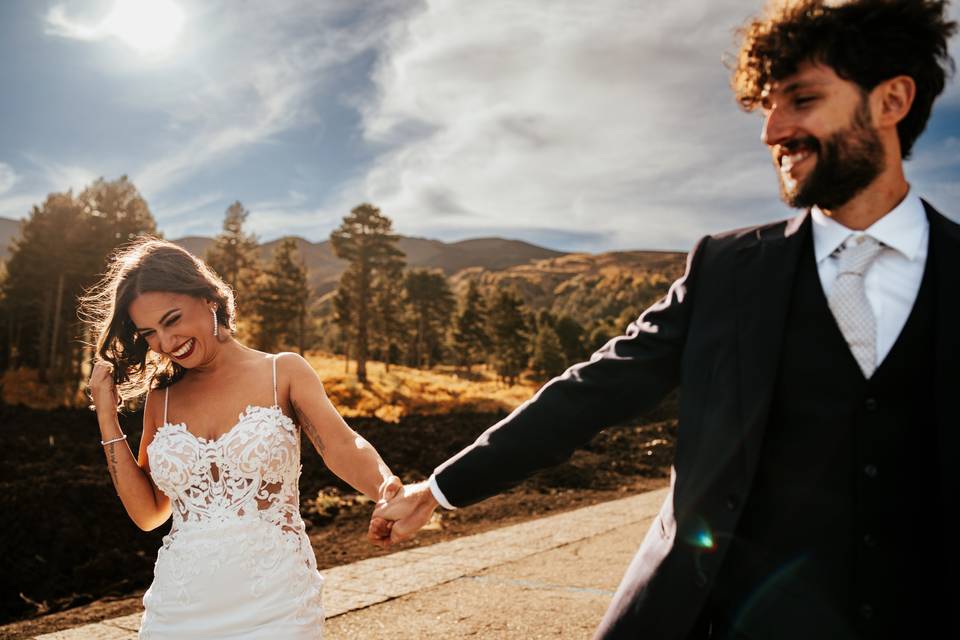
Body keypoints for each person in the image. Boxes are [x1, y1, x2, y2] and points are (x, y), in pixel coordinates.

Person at [369, 1, 958, 638]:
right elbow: (594, 390)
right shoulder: (729, 270)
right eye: (766, 106)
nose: (772, 131)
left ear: (892, 100)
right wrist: (441, 487)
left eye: (802, 99)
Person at [83, 238, 401, 639]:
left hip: (277, 604)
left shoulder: (281, 372)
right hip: (177, 610)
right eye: (149, 333)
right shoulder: (161, 399)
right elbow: (149, 514)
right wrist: (107, 419)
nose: (165, 343)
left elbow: (341, 444)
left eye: (173, 319)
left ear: (209, 299)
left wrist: (385, 488)